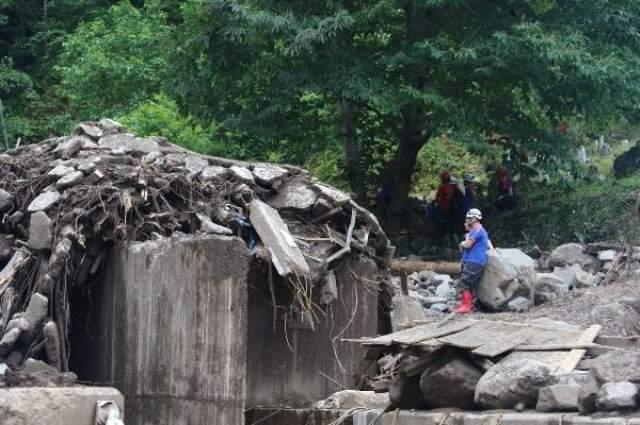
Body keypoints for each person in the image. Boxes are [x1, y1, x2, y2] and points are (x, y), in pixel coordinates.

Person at [453, 208, 489, 314]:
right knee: (469, 284)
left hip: (474, 261)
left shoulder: (477, 230)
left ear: (475, 219)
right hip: (471, 260)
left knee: (464, 283)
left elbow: (468, 244)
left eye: (469, 218)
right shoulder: (474, 231)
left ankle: (466, 305)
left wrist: (462, 243)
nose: (467, 220)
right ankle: (467, 304)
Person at [435, 170, 463, 247]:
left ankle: (447, 245)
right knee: (452, 228)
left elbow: (437, 199)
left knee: (445, 228)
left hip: (444, 210)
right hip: (454, 210)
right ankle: (457, 246)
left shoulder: (442, 187)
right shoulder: (454, 186)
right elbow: (461, 196)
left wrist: (435, 203)